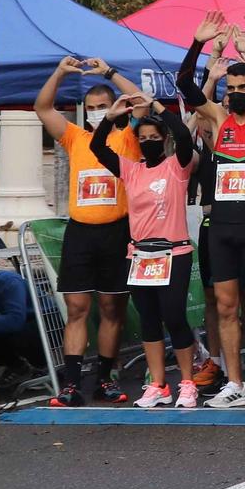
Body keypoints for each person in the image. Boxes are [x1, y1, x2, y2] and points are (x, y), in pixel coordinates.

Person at [180, 9, 245, 411]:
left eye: (244, 86)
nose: (237, 91)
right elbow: (185, 86)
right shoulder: (219, 118)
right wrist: (197, 43)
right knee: (225, 307)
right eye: (231, 85)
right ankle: (234, 380)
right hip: (221, 227)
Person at [35, 56, 142, 407]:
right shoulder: (74, 137)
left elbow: (142, 100)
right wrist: (61, 72)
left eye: (102, 107)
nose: (96, 112)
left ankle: (105, 380)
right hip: (81, 232)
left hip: (117, 231)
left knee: (112, 307)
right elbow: (43, 107)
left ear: (115, 108)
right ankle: (70, 384)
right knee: (77, 307)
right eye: (91, 107)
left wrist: (111, 72)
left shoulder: (128, 137)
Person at [90, 99, 200, 409]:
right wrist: (110, 119)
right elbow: (99, 148)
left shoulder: (177, 166)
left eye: (154, 138)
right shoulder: (131, 169)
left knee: (174, 316)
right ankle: (158, 384)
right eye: (143, 138)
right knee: (149, 320)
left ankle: (187, 382)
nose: (148, 143)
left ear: (164, 139)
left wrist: (158, 107)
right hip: (140, 256)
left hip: (173, 253)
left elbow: (184, 136)